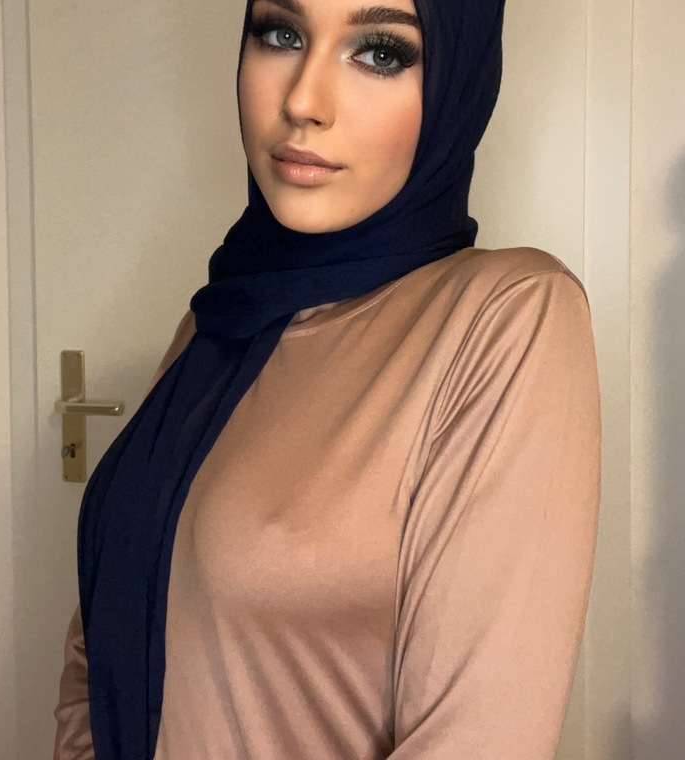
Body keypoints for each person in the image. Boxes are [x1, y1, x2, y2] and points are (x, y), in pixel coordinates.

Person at [53, 0, 601, 757]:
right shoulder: (218, 324)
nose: (303, 101)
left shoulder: (506, 318)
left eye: (380, 52)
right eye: (281, 34)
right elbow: (99, 639)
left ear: (457, 81)